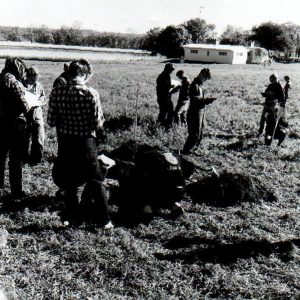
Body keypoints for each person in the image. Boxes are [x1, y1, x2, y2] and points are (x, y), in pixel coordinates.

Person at [48, 59, 112, 228]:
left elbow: (51, 121)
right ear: (84, 74)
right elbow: (97, 123)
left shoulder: (57, 92)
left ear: (69, 73)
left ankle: (70, 217)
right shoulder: (91, 93)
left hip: (65, 142)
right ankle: (104, 220)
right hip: (86, 142)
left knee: (69, 182)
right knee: (96, 180)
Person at [0, 58, 30, 198]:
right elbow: (26, 106)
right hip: (15, 125)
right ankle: (16, 191)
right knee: (15, 159)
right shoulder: (15, 83)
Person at [182, 68, 211, 155]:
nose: (205, 80)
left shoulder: (198, 85)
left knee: (200, 133)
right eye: (206, 78)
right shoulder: (194, 85)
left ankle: (193, 150)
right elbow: (195, 100)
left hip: (200, 112)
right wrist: (207, 100)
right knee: (195, 135)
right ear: (202, 74)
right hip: (195, 113)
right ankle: (186, 152)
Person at [23, 66, 46, 165]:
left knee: (39, 138)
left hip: (37, 115)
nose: (34, 82)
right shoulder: (21, 84)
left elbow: (43, 97)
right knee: (24, 139)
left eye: (35, 80)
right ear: (27, 76)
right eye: (32, 79)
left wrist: (41, 100)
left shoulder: (38, 85)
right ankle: (24, 159)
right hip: (25, 115)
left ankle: (35, 160)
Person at [258, 73, 285, 145]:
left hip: (273, 107)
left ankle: (269, 142)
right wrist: (266, 94)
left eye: (273, 80)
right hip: (267, 105)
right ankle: (260, 133)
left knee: (271, 126)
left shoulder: (279, 87)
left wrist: (274, 97)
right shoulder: (270, 85)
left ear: (276, 79)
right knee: (263, 119)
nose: (272, 81)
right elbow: (266, 92)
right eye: (271, 80)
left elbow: (282, 98)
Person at [156, 63, 176, 128]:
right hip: (163, 97)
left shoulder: (166, 75)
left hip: (166, 97)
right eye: (171, 70)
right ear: (167, 69)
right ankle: (166, 126)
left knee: (164, 112)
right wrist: (172, 87)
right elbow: (163, 88)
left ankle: (162, 125)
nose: (172, 71)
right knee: (167, 112)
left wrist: (171, 86)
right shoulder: (162, 76)